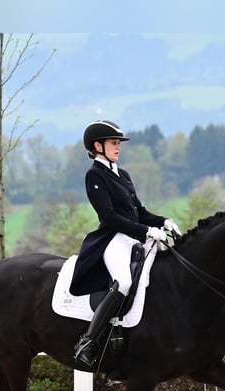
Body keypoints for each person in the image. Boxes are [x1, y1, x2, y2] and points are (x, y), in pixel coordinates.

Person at [69, 119, 181, 369]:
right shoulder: (94, 175)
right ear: (97, 146)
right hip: (113, 238)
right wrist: (147, 231)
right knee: (125, 282)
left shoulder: (122, 174)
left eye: (119, 143)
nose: (118, 147)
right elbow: (110, 217)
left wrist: (163, 221)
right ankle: (88, 342)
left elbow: (139, 210)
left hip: (134, 235)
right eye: (113, 143)